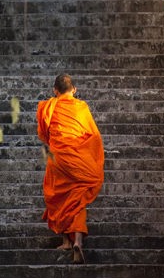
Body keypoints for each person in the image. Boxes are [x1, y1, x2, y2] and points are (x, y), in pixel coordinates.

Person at [36, 73, 104, 264]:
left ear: (54, 91)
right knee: (77, 198)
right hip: (79, 160)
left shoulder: (49, 106)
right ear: (74, 90)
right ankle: (78, 242)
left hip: (58, 159)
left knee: (58, 197)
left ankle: (66, 241)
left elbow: (44, 134)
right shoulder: (81, 107)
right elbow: (93, 135)